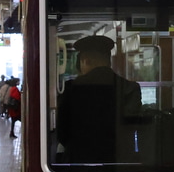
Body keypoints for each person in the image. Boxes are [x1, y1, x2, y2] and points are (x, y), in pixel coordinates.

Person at [56, 35, 142, 165]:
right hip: (119, 164)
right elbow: (133, 127)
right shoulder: (130, 88)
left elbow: (62, 133)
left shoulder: (70, 88)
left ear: (85, 61)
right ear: (109, 61)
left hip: (79, 164)